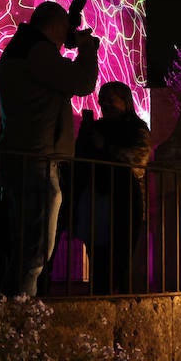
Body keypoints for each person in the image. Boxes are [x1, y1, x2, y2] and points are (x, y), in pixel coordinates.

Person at [0, 0, 99, 297]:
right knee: (36, 247)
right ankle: (19, 313)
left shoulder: (21, 49)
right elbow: (81, 82)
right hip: (37, 158)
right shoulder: (37, 51)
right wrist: (87, 49)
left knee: (23, 241)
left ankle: (7, 308)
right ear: (54, 26)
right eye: (65, 28)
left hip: (21, 154)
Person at [73, 80, 150, 294]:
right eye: (102, 101)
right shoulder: (96, 128)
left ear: (125, 102)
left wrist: (104, 146)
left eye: (111, 100)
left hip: (124, 201)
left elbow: (138, 160)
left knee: (122, 257)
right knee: (98, 256)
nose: (105, 105)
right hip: (96, 199)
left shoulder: (136, 128)